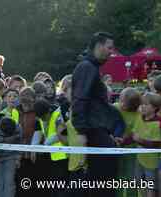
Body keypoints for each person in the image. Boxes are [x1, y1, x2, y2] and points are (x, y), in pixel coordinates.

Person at [71, 32, 118, 197]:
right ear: (98, 46)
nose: (111, 52)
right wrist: (82, 132)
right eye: (109, 47)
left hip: (98, 130)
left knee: (102, 180)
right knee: (102, 181)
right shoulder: (87, 67)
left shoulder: (91, 67)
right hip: (93, 131)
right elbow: (79, 100)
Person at [132, 92, 161, 197]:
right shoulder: (140, 118)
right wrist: (122, 140)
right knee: (139, 183)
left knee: (150, 185)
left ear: (154, 108)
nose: (142, 107)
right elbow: (134, 134)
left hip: (152, 162)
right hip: (139, 158)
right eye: (141, 104)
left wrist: (141, 141)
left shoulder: (158, 123)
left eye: (145, 104)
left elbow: (157, 143)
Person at [0, 115, 22, 197]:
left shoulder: (18, 127)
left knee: (9, 182)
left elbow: (20, 143)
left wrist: (18, 158)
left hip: (11, 156)